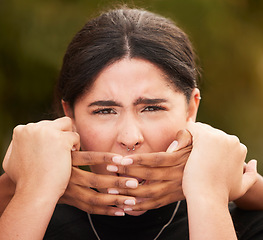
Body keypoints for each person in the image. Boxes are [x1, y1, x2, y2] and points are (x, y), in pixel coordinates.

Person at [1, 6, 263, 240]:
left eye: (151, 107)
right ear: (69, 116)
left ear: (191, 108)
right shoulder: (26, 216)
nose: (129, 137)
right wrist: (31, 192)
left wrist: (209, 197)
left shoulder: (245, 225)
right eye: (105, 111)